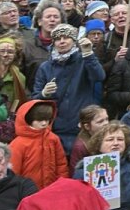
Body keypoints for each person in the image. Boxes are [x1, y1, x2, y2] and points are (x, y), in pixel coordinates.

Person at [31, 25, 105, 154]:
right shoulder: (45, 67)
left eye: (66, 37)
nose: (62, 41)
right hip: (56, 128)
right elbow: (34, 99)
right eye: (58, 39)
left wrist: (88, 54)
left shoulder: (84, 60)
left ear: (74, 41)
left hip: (81, 127)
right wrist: (43, 94)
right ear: (53, 43)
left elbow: (99, 76)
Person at [9, 101, 67, 190]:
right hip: (28, 191)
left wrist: (63, 184)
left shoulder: (53, 138)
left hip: (52, 188)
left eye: (47, 119)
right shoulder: (18, 144)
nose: (44, 123)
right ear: (28, 119)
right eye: (39, 120)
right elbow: (13, 172)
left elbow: (61, 164)